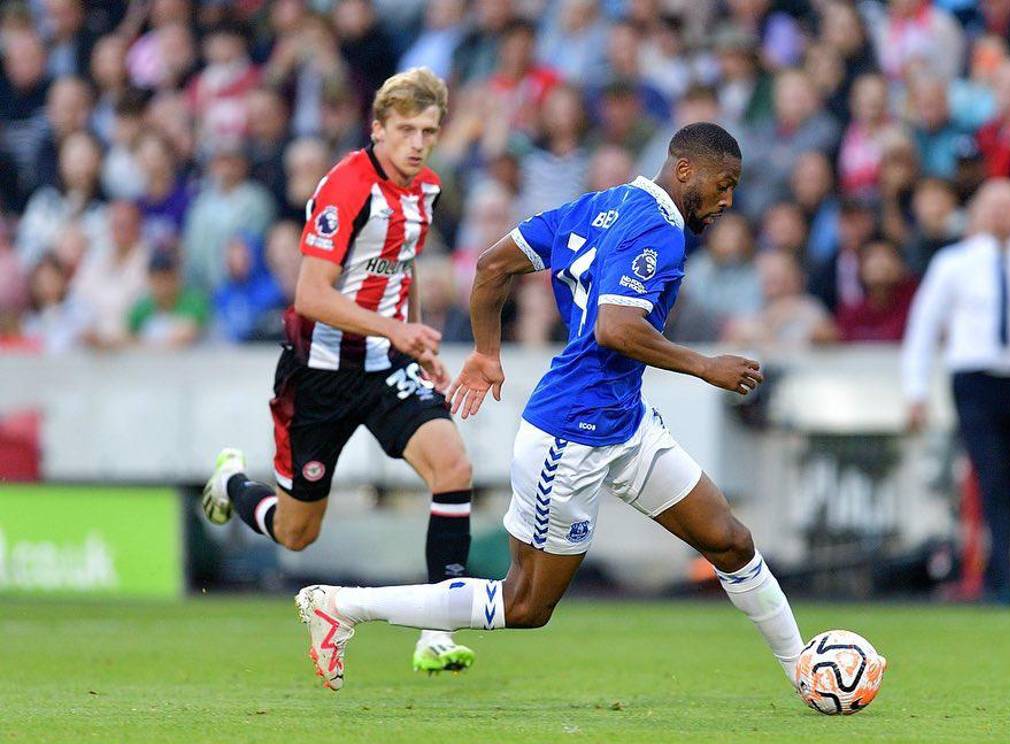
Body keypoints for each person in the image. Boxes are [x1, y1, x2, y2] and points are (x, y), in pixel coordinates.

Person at [293, 123, 814, 702]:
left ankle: (804, 670)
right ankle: (341, 605)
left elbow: (492, 267)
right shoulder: (660, 232)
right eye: (725, 185)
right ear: (687, 170)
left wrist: (488, 353)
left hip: (624, 422)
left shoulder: (599, 205)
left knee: (730, 541)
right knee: (524, 604)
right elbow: (616, 329)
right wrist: (705, 366)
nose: (728, 202)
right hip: (570, 435)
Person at [200, 69, 479, 676]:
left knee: (453, 466)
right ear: (377, 128)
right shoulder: (347, 188)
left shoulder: (425, 189)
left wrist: (418, 341)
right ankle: (232, 487)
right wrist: (396, 330)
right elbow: (309, 295)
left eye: (428, 131)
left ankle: (436, 629)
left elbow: (400, 272)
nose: (417, 143)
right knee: (299, 532)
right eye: (405, 129)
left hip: (383, 367)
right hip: (318, 376)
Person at [901, 179, 1010, 603]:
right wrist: (915, 389)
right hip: (973, 380)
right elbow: (924, 327)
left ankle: (1001, 566)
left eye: (1009, 206)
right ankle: (1004, 574)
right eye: (993, 206)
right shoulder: (953, 264)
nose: (1000, 214)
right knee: (991, 471)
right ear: (978, 212)